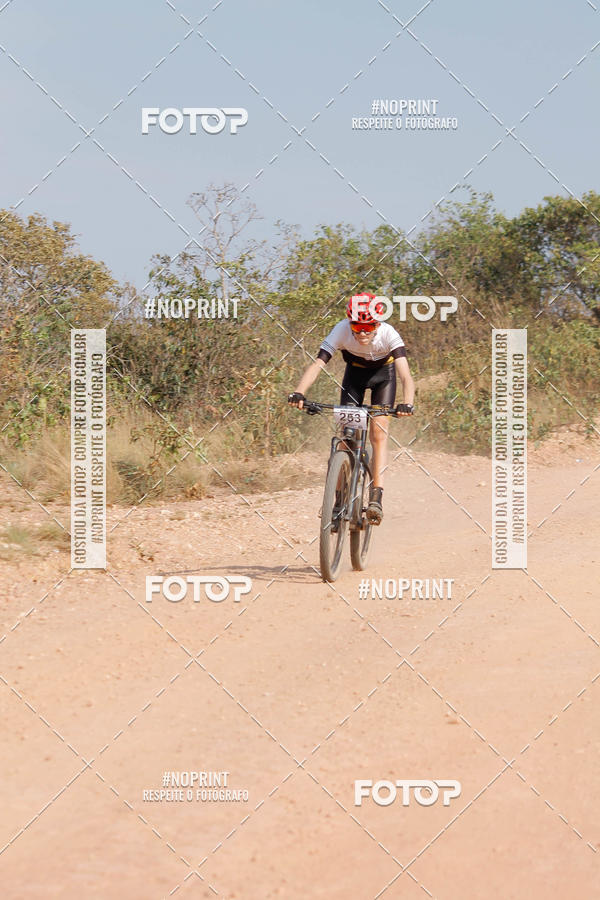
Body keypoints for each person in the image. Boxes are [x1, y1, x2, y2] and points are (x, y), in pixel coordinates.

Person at [288, 293, 415, 525]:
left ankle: (376, 496)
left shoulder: (389, 333)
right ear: (349, 322)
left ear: (378, 324)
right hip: (354, 377)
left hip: (383, 378)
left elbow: (405, 375)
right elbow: (318, 364)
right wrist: (299, 392)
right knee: (345, 437)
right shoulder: (341, 330)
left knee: (378, 432)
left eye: (368, 327)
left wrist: (407, 402)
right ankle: (336, 502)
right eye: (358, 326)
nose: (363, 333)